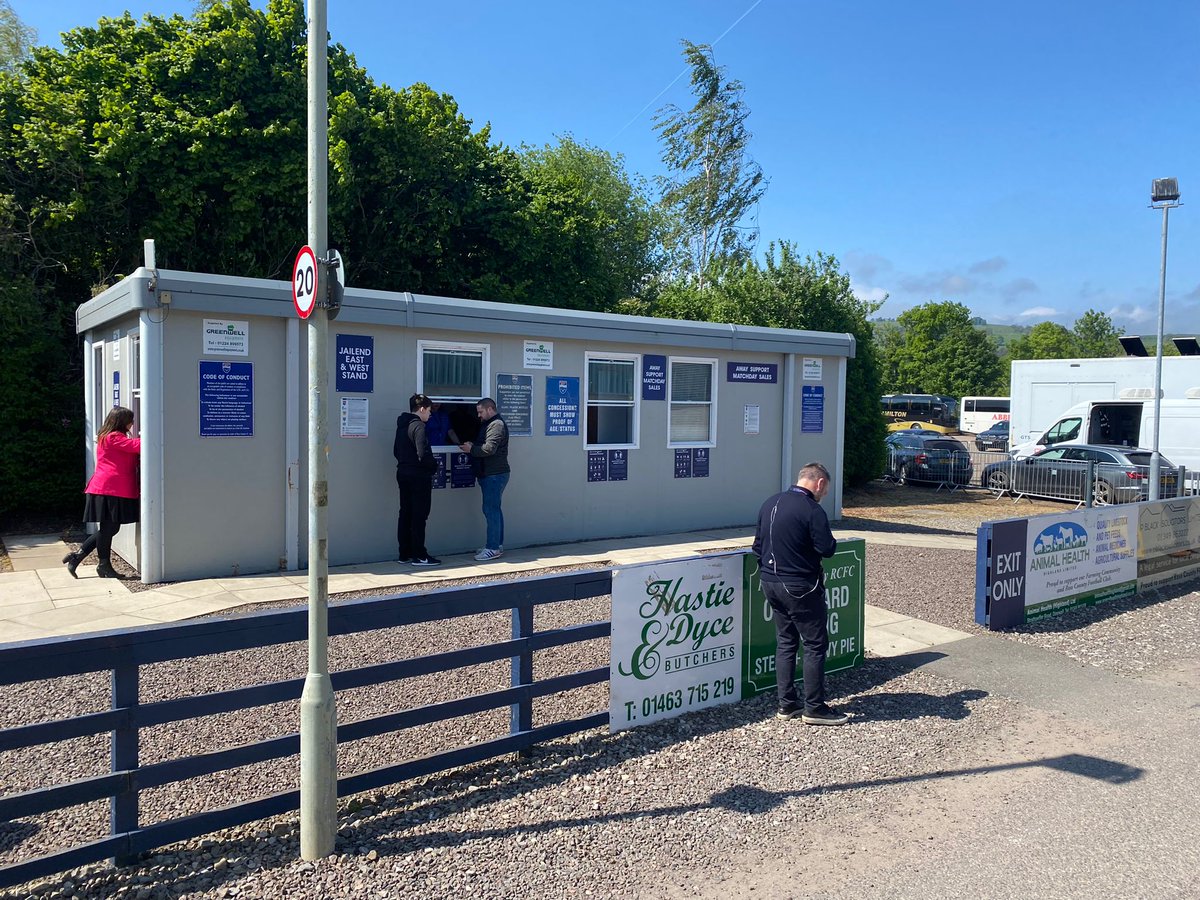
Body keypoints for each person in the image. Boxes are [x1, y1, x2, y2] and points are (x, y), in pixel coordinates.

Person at [751, 461, 848, 726]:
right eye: (825, 490)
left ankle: (787, 703)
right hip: (801, 585)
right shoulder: (812, 510)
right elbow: (826, 548)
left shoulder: (770, 502)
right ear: (819, 483)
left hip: (770, 582)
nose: (824, 494)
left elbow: (757, 547)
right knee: (815, 644)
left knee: (786, 642)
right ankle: (814, 707)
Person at [62, 406, 141, 579]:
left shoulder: (107, 436)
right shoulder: (113, 437)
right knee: (109, 528)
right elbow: (138, 446)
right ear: (122, 422)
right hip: (110, 489)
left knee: (108, 528)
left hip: (110, 488)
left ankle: (78, 557)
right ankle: (103, 565)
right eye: (130, 420)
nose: (132, 423)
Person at [459, 397, 509, 561]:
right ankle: (496, 545)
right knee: (495, 509)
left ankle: (493, 548)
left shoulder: (496, 425)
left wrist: (471, 449)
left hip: (494, 474)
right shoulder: (490, 424)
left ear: (490, 409)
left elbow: (489, 449)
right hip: (491, 473)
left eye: (481, 411)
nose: (479, 415)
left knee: (491, 510)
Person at [393, 393, 440, 566]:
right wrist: (433, 467)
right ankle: (420, 555)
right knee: (420, 516)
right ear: (421, 409)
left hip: (403, 473)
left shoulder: (402, 425)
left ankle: (404, 553)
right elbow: (423, 453)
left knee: (405, 513)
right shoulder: (419, 426)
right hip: (419, 476)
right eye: (428, 410)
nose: (430, 414)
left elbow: (396, 451)